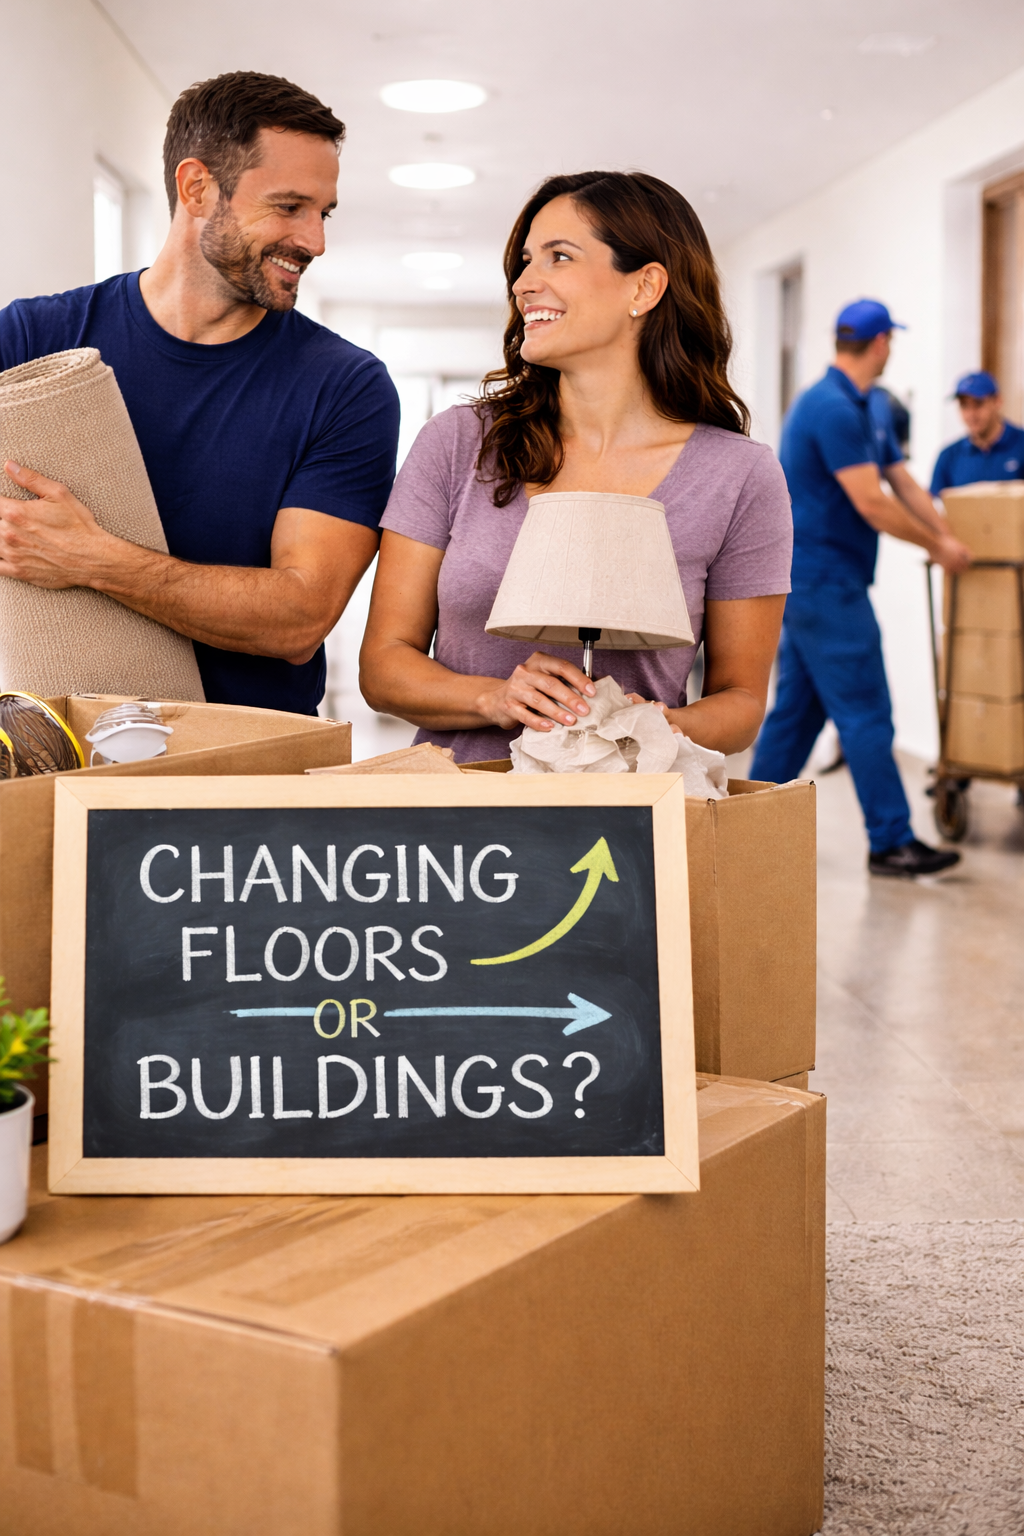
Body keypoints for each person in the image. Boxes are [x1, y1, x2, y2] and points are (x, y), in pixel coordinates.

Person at [359, 171, 793, 765]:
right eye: (524, 260)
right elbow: (384, 665)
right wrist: (496, 698)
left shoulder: (740, 477)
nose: (524, 283)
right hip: (460, 827)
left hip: (623, 831)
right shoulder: (457, 444)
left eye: (558, 257)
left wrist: (649, 725)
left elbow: (740, 701)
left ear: (645, 286)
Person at [0, 72, 398, 714]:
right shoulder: (33, 338)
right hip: (55, 751)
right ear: (198, 188)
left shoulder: (346, 386)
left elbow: (298, 619)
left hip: (248, 773)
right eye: (288, 206)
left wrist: (95, 559)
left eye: (322, 213)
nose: (315, 241)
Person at [751, 299, 972, 878]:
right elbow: (872, 503)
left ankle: (744, 820)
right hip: (824, 583)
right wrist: (936, 547)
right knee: (867, 711)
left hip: (823, 584)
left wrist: (947, 531)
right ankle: (890, 840)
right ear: (880, 343)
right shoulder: (829, 408)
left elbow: (900, 479)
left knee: (799, 712)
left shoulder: (867, 404)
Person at [930, 371, 1024, 494]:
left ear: (998, 401)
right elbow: (935, 505)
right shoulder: (949, 456)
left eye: (978, 404)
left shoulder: (1020, 444)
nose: (971, 414)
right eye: (964, 406)